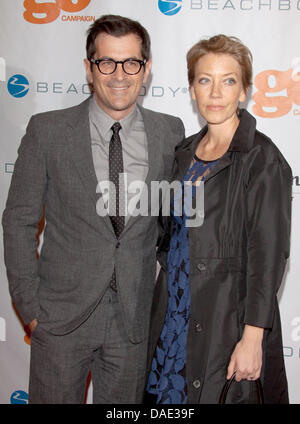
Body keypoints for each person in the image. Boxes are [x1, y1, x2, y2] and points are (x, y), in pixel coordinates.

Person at [2, 15, 185, 404]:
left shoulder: (170, 132)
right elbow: (18, 221)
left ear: (146, 68)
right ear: (89, 68)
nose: (119, 74)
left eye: (131, 62)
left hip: (133, 323)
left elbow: (173, 223)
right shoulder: (47, 131)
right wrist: (31, 307)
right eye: (106, 62)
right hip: (60, 319)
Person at [145, 34, 291, 404]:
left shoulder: (262, 158)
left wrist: (252, 336)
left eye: (228, 80)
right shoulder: (182, 154)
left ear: (243, 91)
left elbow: (268, 254)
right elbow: (169, 237)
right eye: (204, 80)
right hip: (173, 317)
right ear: (192, 88)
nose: (215, 92)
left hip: (228, 321)